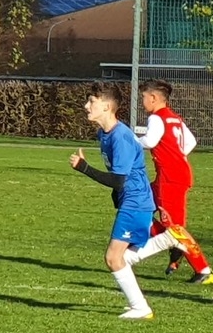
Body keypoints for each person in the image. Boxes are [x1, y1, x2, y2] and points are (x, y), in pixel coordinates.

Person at [68, 82, 203, 320]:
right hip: (132, 201)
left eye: (92, 101)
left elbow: (118, 180)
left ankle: (141, 307)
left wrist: (84, 168)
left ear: (107, 106)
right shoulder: (104, 134)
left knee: (113, 258)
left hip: (136, 202)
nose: (86, 106)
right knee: (122, 258)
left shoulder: (120, 137)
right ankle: (168, 240)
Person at [136, 79, 213, 285]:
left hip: (170, 178)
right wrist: (176, 156)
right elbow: (191, 141)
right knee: (138, 206)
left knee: (174, 228)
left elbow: (150, 141)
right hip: (174, 174)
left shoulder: (156, 117)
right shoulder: (174, 117)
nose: (142, 101)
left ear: (153, 98)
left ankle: (202, 269)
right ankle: (173, 247)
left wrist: (130, 141)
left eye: (143, 97)